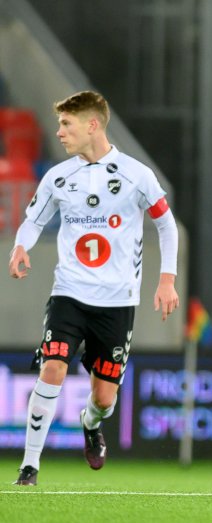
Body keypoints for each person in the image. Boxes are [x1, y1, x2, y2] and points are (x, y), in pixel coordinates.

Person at [8, 91, 180, 486]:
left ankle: (90, 424)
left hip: (117, 303)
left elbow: (166, 225)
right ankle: (29, 466)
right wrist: (21, 246)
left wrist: (167, 278)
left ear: (92, 125)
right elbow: (34, 220)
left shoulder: (137, 174)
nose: (60, 132)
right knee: (52, 367)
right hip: (69, 293)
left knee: (104, 399)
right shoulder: (58, 176)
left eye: (67, 124)